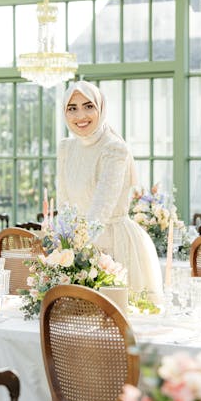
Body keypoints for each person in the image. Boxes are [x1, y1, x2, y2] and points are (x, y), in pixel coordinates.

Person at [57, 80, 163, 302]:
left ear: (100, 107)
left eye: (88, 106)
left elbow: (102, 207)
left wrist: (76, 251)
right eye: (72, 108)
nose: (80, 116)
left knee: (119, 321)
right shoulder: (66, 148)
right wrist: (61, 245)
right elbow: (63, 203)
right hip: (76, 245)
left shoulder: (114, 148)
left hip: (114, 244)